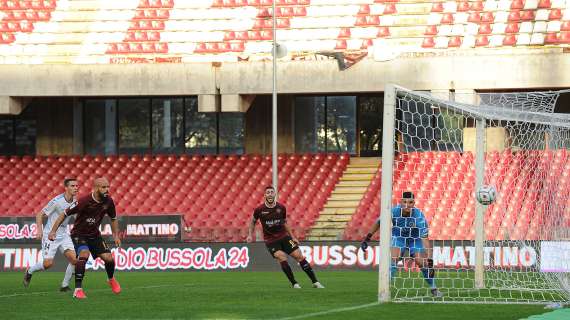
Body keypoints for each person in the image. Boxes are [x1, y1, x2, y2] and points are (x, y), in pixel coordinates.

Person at [48, 177, 121, 299]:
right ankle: (78, 289)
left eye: (108, 187)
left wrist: (116, 236)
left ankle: (111, 279)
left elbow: (113, 218)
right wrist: (53, 231)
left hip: (94, 234)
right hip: (79, 234)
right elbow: (64, 214)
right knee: (84, 254)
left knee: (109, 258)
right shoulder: (84, 201)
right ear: (96, 188)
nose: (107, 189)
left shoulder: (108, 201)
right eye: (104, 187)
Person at [360, 191, 442, 297]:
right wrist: (367, 239)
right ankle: (385, 289)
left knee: (421, 262)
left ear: (414, 203)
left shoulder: (419, 216)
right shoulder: (393, 211)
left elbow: (425, 239)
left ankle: (433, 288)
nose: (407, 205)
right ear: (400, 202)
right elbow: (378, 222)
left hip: (415, 239)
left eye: (411, 202)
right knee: (394, 258)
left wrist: (430, 263)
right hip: (399, 238)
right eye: (405, 202)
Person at [247, 186, 324, 289]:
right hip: (271, 241)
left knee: (299, 256)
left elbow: (285, 223)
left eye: (271, 192)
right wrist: (249, 234)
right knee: (281, 257)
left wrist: (293, 237)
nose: (270, 194)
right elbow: (252, 221)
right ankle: (294, 283)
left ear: (274, 194)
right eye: (268, 192)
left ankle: (315, 282)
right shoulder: (259, 210)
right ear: (265, 195)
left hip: (284, 237)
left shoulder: (281, 208)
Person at [24, 178, 78, 292]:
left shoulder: (75, 201)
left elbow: (76, 216)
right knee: (48, 264)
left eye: (77, 186)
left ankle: (64, 285)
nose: (76, 188)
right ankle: (30, 271)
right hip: (50, 235)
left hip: (63, 234)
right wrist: (39, 230)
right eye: (73, 186)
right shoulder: (57, 201)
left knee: (74, 259)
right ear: (66, 188)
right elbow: (40, 214)